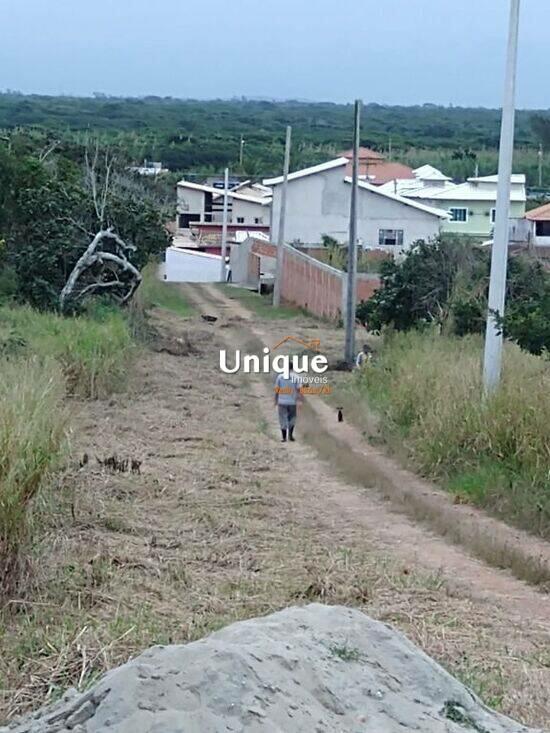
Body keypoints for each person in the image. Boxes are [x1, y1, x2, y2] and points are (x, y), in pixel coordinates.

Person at [274, 369, 303, 442]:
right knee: (292, 418)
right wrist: (300, 400)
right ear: (292, 368)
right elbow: (299, 390)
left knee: (282, 419)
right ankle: (290, 435)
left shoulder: (280, 377)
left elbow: (277, 390)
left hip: (282, 401)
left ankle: (284, 437)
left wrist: (275, 400)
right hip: (292, 402)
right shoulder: (296, 377)